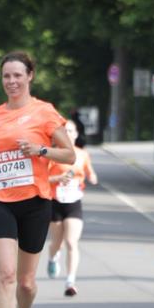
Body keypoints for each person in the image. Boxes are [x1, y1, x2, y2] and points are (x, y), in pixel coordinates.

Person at [0, 52, 75, 308]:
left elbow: (70, 154)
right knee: (6, 274)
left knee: (26, 283)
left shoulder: (45, 112)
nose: (11, 82)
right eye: (6, 76)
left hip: (36, 201)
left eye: (17, 76)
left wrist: (41, 151)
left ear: (30, 76)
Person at [47, 119, 98, 296]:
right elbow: (42, 179)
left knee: (71, 241)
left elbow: (90, 172)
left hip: (74, 201)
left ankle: (70, 281)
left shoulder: (82, 154)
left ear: (76, 134)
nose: (68, 134)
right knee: (57, 243)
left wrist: (92, 178)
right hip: (55, 201)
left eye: (71, 131)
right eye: (65, 131)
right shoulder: (53, 155)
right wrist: (57, 179)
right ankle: (53, 257)